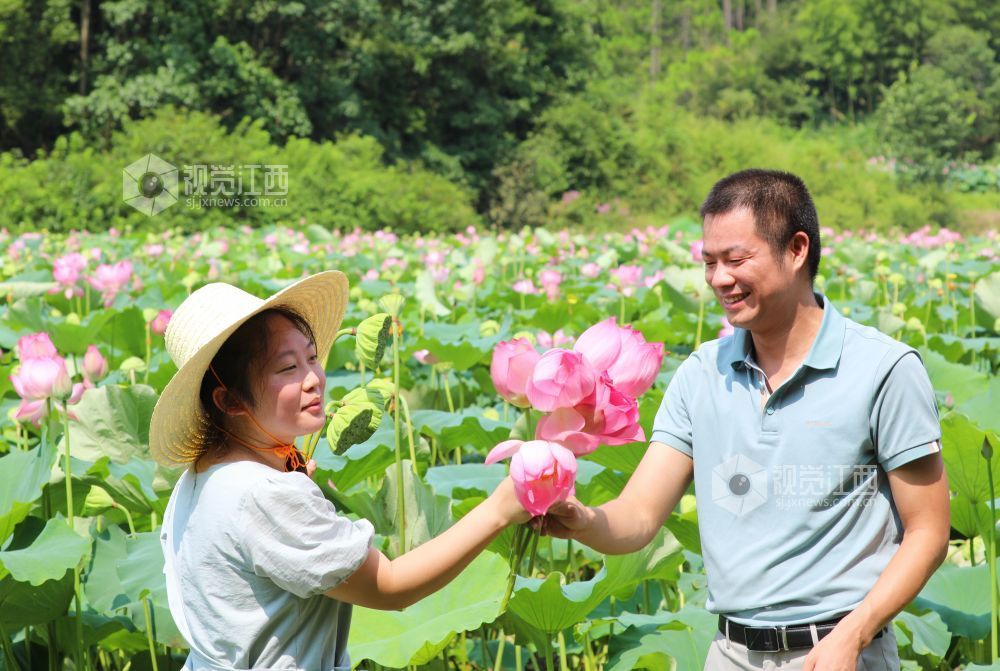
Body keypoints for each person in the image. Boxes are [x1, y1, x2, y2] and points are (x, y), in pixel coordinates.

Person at [543, 169, 950, 671]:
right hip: (729, 654)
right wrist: (583, 520)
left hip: (840, 651)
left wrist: (855, 634)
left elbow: (929, 531)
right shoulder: (699, 374)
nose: (719, 279)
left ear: (796, 250)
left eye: (736, 260)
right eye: (709, 262)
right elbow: (639, 517)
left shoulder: (884, 369)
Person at [150, 270, 529, 671]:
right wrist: (499, 509)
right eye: (288, 368)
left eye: (312, 358)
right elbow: (391, 586)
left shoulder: (199, 478)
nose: (314, 379)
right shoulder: (267, 495)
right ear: (229, 400)